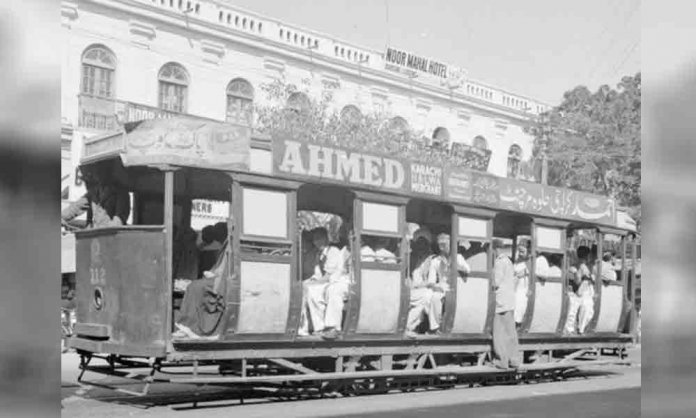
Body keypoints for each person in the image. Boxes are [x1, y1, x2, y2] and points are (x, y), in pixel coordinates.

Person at [301, 228, 351, 339]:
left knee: (330, 290)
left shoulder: (333, 251)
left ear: (326, 239)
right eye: (315, 240)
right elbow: (317, 275)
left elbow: (328, 276)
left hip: (338, 280)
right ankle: (318, 328)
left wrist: (311, 284)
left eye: (319, 239)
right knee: (311, 291)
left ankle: (333, 328)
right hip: (329, 281)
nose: (317, 242)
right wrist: (308, 283)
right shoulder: (318, 254)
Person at [425, 233, 470, 333]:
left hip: (455, 287)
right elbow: (431, 281)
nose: (442, 248)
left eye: (444, 244)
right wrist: (436, 286)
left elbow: (467, 269)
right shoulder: (436, 260)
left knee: (436, 298)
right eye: (440, 245)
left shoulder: (458, 257)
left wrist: (453, 263)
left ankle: (436, 327)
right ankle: (433, 326)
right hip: (441, 287)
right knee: (427, 297)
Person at [61, 165, 130, 228]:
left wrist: (105, 231)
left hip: (110, 236)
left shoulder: (120, 192)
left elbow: (119, 220)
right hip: (96, 235)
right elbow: (76, 207)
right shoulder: (94, 192)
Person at [491, 238, 521, 370]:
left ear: (495, 249)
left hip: (501, 302)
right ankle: (514, 359)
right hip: (509, 300)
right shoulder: (508, 261)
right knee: (510, 332)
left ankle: (502, 360)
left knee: (499, 332)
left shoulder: (499, 262)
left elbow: (496, 282)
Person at [405, 229, 436, 336]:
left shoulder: (432, 259)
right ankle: (409, 326)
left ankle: (408, 326)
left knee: (426, 297)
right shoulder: (413, 258)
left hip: (422, 289)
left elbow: (430, 282)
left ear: (428, 244)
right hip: (411, 290)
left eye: (423, 243)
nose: (420, 246)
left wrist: (416, 286)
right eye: (418, 243)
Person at [574, 246, 595, 334]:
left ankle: (580, 329)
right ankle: (580, 330)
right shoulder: (582, 266)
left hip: (584, 291)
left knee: (588, 312)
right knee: (587, 311)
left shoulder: (579, 265)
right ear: (588, 255)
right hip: (583, 291)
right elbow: (578, 280)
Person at [513, 243, 530, 327]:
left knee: (520, 306)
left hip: (523, 289)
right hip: (516, 288)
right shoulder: (517, 262)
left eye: (522, 251)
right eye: (519, 251)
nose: (520, 254)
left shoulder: (530, 263)